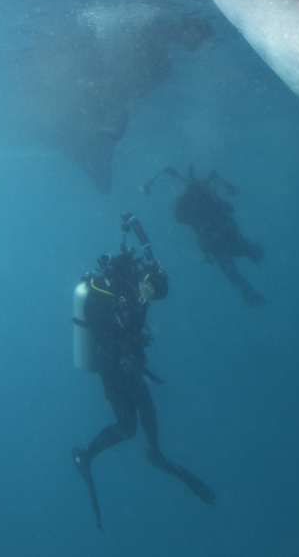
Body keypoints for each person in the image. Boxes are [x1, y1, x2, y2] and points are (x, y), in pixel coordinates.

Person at [71, 214, 215, 527]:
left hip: (127, 363)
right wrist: (142, 308)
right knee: (127, 427)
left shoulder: (136, 281)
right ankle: (85, 455)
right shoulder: (122, 296)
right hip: (112, 367)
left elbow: (142, 244)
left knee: (147, 408)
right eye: (151, 291)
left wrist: (133, 223)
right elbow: (123, 331)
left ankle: (155, 453)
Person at [146, 167, 267, 305]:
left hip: (214, 242)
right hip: (226, 234)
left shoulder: (189, 203)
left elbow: (180, 218)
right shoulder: (205, 196)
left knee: (232, 273)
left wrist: (185, 198)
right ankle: (252, 265)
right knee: (244, 254)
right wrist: (209, 198)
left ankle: (249, 289)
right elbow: (229, 208)